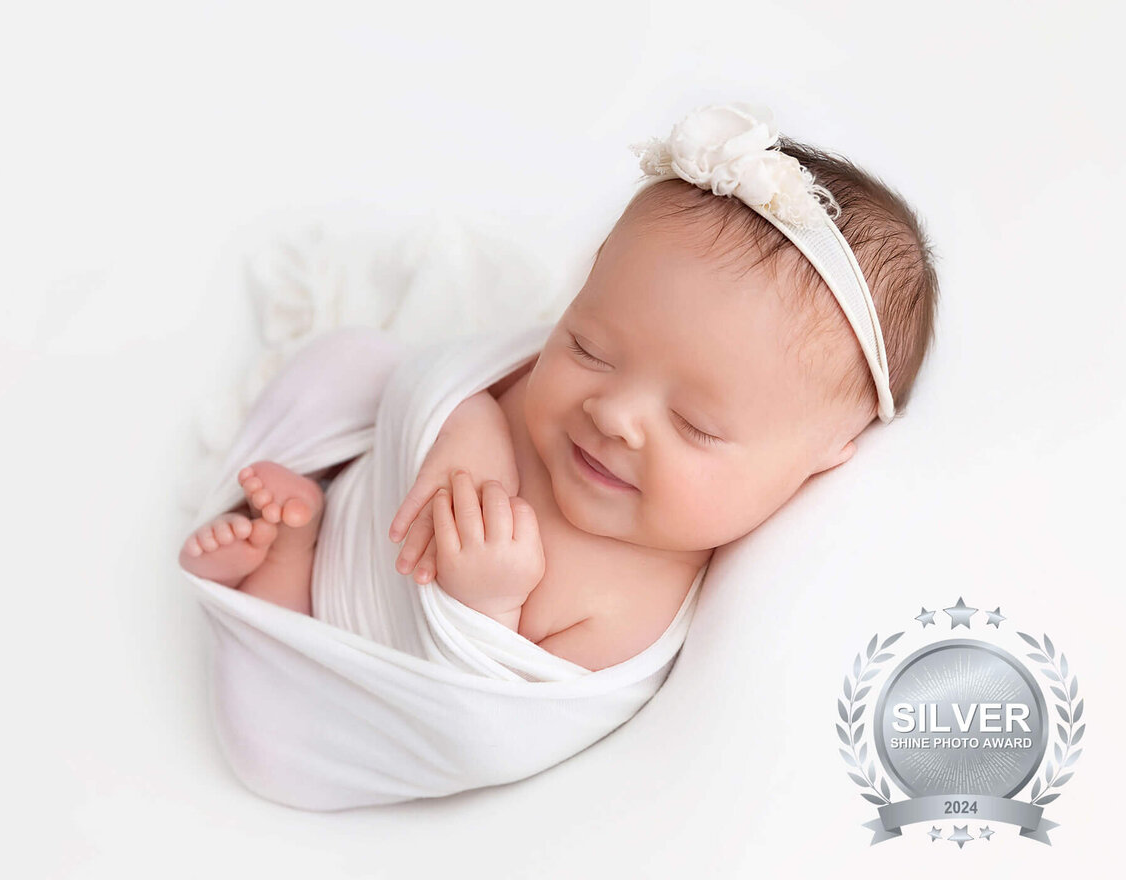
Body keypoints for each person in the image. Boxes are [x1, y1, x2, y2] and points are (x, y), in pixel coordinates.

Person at [177, 103, 939, 671]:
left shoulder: (631, 604)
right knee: (356, 357)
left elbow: (486, 711)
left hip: (370, 657)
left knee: (298, 679)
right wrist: (465, 424)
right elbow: (445, 374)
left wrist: (486, 604)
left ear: (825, 454)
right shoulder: (554, 409)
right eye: (589, 348)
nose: (611, 415)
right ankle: (304, 531)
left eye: (696, 425)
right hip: (367, 512)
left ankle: (280, 577)